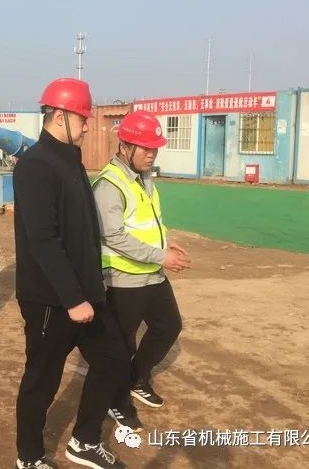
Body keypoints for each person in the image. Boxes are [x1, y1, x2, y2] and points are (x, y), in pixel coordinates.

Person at [13, 78, 128, 469]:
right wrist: (73, 298)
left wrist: (93, 288)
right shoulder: (35, 165)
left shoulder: (70, 161)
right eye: (82, 118)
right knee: (42, 381)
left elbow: (83, 231)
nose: (88, 125)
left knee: (113, 359)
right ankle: (29, 456)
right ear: (59, 116)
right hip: (51, 298)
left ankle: (84, 441)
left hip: (85, 292)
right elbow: (43, 240)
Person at [92, 110, 189, 432]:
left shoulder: (144, 177)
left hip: (152, 273)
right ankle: (116, 402)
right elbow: (114, 236)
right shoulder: (109, 184)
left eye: (155, 148)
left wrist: (166, 241)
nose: (151, 154)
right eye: (145, 148)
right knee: (122, 346)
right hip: (124, 279)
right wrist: (161, 256)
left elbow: (147, 221)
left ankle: (136, 378)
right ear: (124, 146)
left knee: (169, 325)